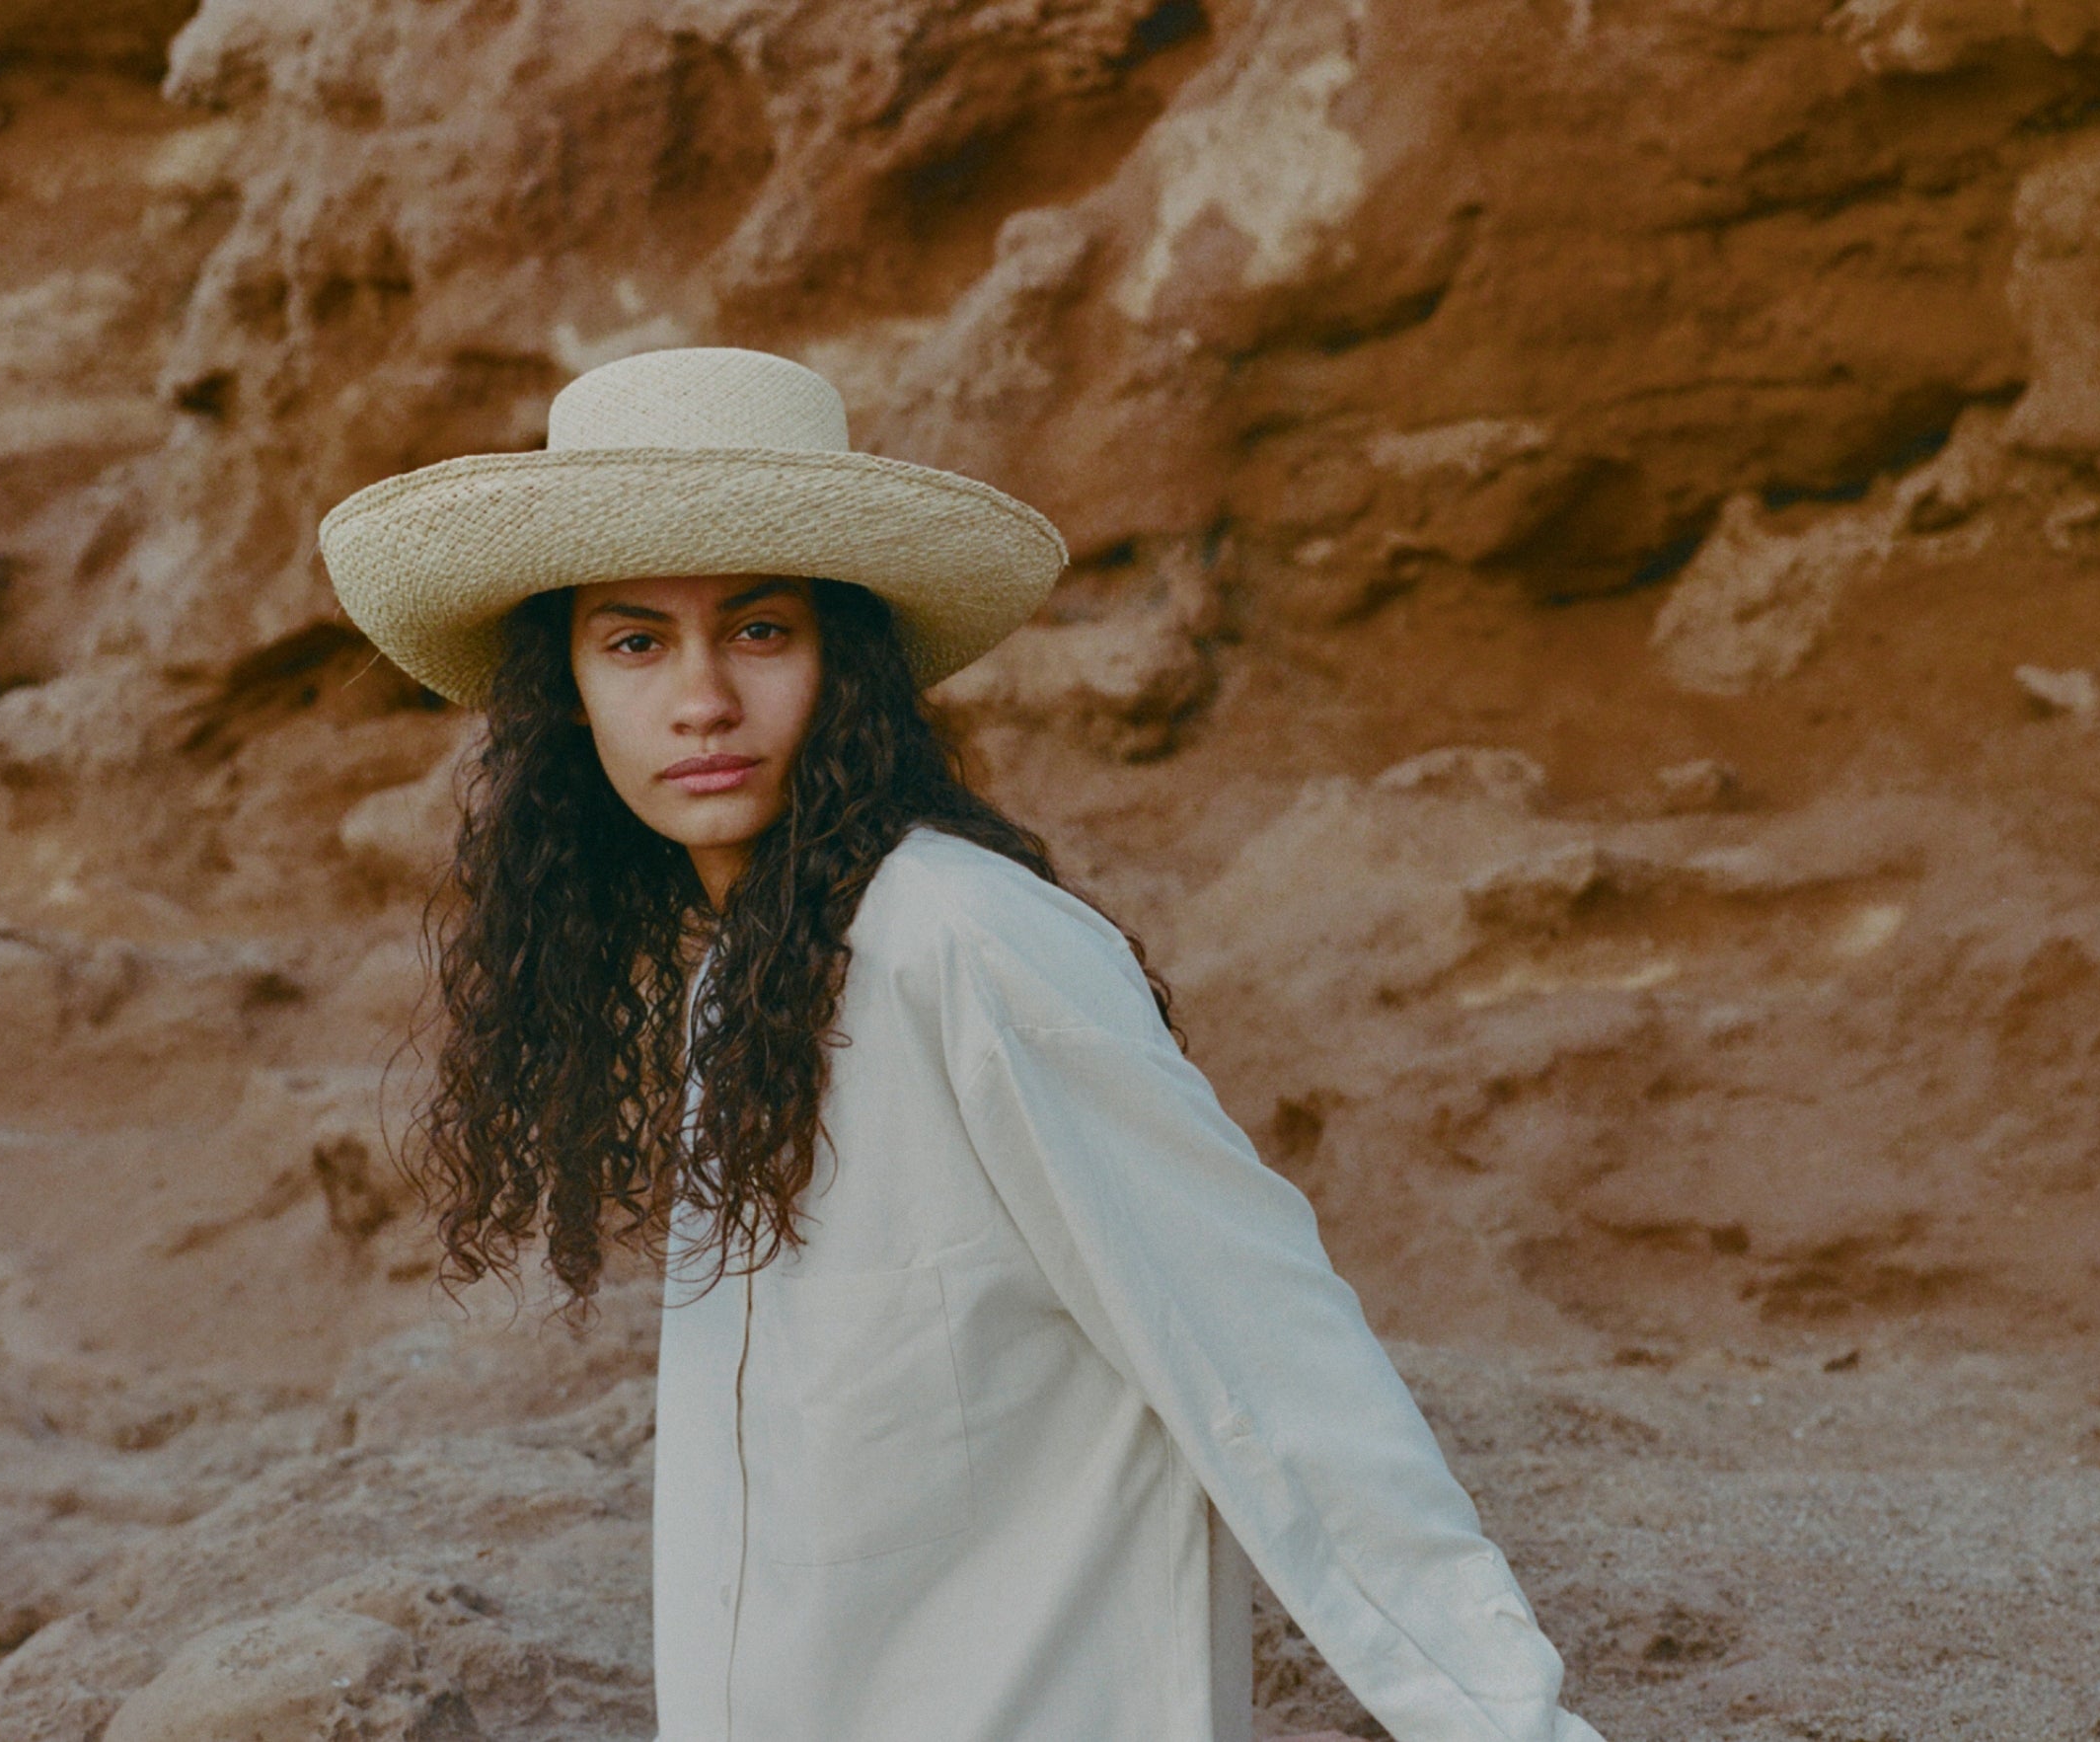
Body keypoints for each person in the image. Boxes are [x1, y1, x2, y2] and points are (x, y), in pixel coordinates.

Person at [317, 346, 1608, 1742]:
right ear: (569, 691)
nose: (702, 700)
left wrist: (1506, 1722)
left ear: (846, 661)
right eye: (635, 643)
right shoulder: (742, 988)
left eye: (761, 631)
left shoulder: (962, 937)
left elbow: (1268, 1357)